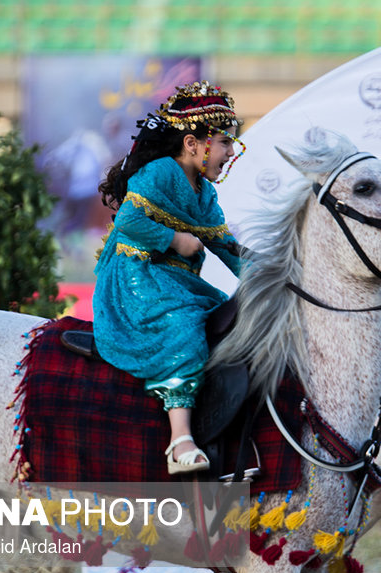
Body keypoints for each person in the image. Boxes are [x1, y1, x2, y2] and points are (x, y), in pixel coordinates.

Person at [94, 80, 246, 475]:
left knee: (229, 318)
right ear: (194, 144)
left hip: (178, 282)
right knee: (183, 326)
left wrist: (268, 277)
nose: (230, 152)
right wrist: (174, 239)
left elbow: (225, 248)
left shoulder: (206, 195)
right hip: (136, 277)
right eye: (225, 142)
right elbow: (128, 222)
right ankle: (180, 441)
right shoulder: (161, 172)